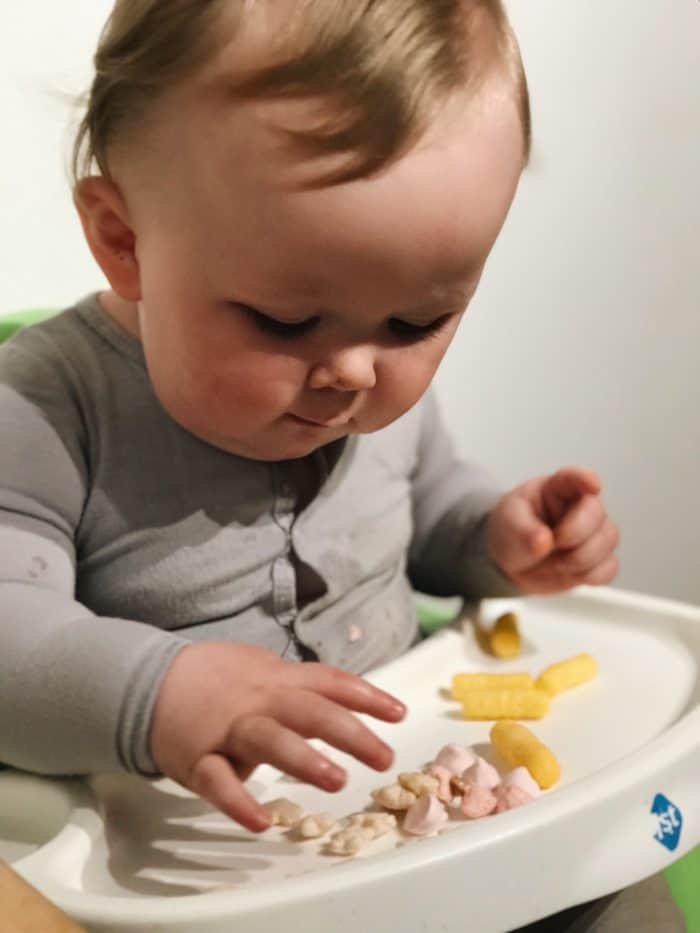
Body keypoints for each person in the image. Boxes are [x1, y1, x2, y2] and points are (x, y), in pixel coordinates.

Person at [0, 1, 682, 929]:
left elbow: (427, 512)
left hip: (423, 808)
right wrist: (159, 693)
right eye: (283, 321)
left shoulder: (364, 384)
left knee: (624, 869)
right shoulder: (45, 408)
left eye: (417, 323)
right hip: (210, 871)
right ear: (125, 240)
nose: (355, 373)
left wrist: (497, 537)